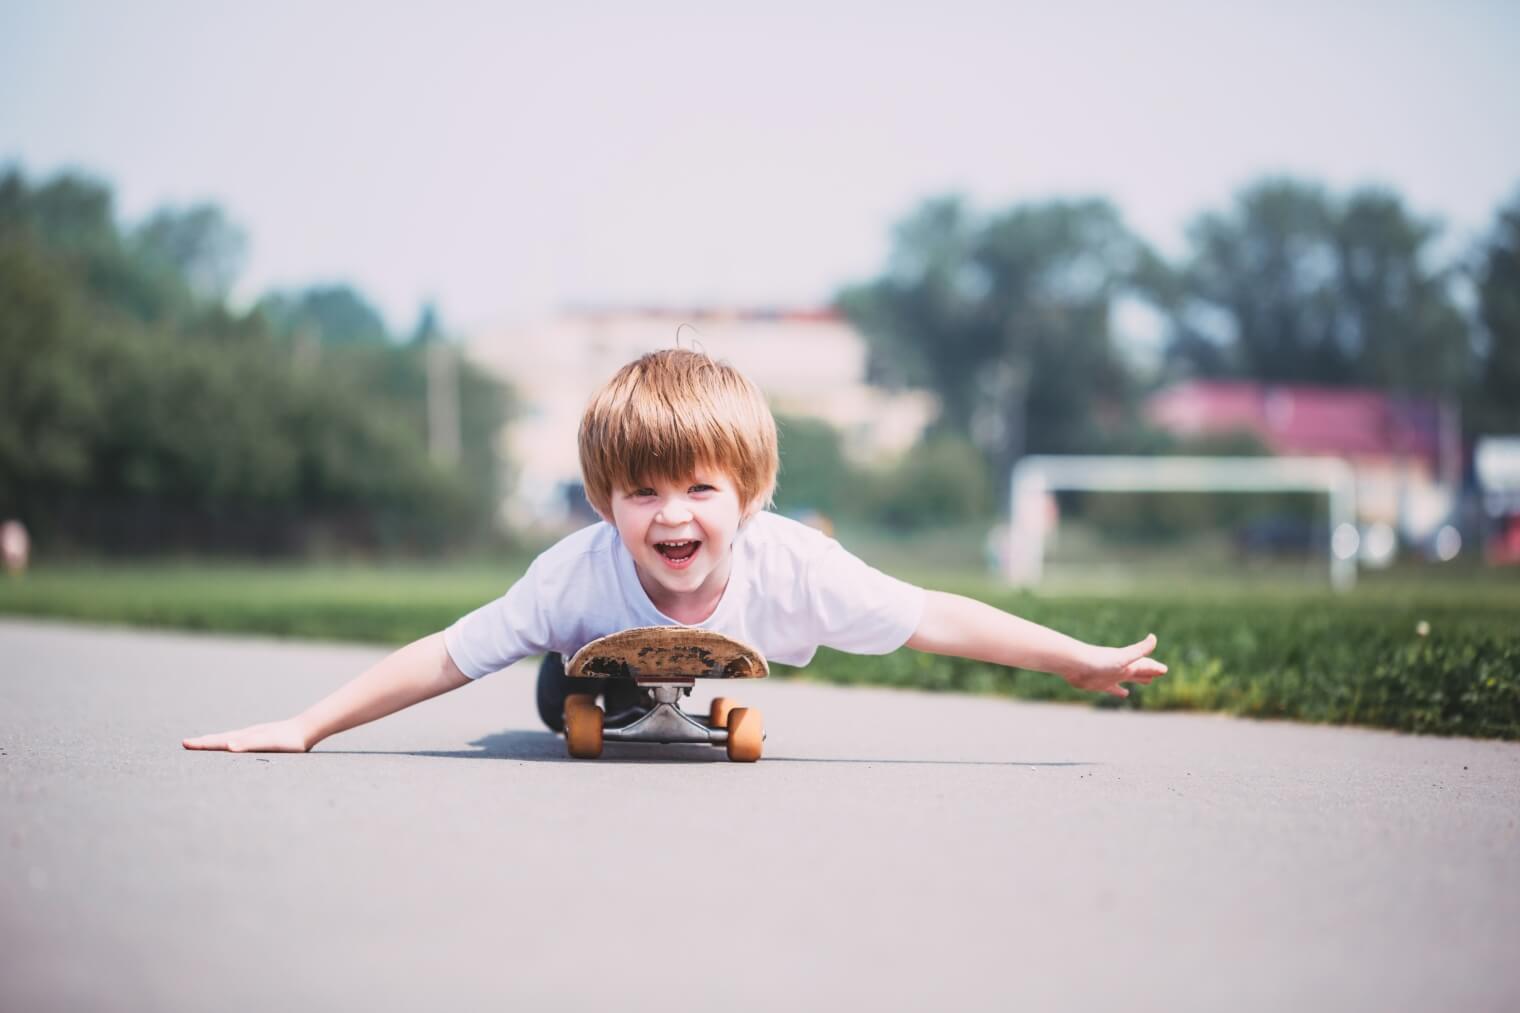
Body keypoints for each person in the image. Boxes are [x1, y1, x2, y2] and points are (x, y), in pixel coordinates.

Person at [183, 349, 1165, 754]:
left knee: (675, 678)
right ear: (604, 501)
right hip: (588, 652)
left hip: (722, 655)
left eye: (699, 488)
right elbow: (446, 652)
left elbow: (936, 615)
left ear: (748, 496)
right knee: (561, 682)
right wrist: (307, 724)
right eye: (640, 491)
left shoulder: (795, 566)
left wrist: (1077, 658)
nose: (670, 516)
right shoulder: (573, 573)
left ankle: (656, 694)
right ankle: (591, 686)